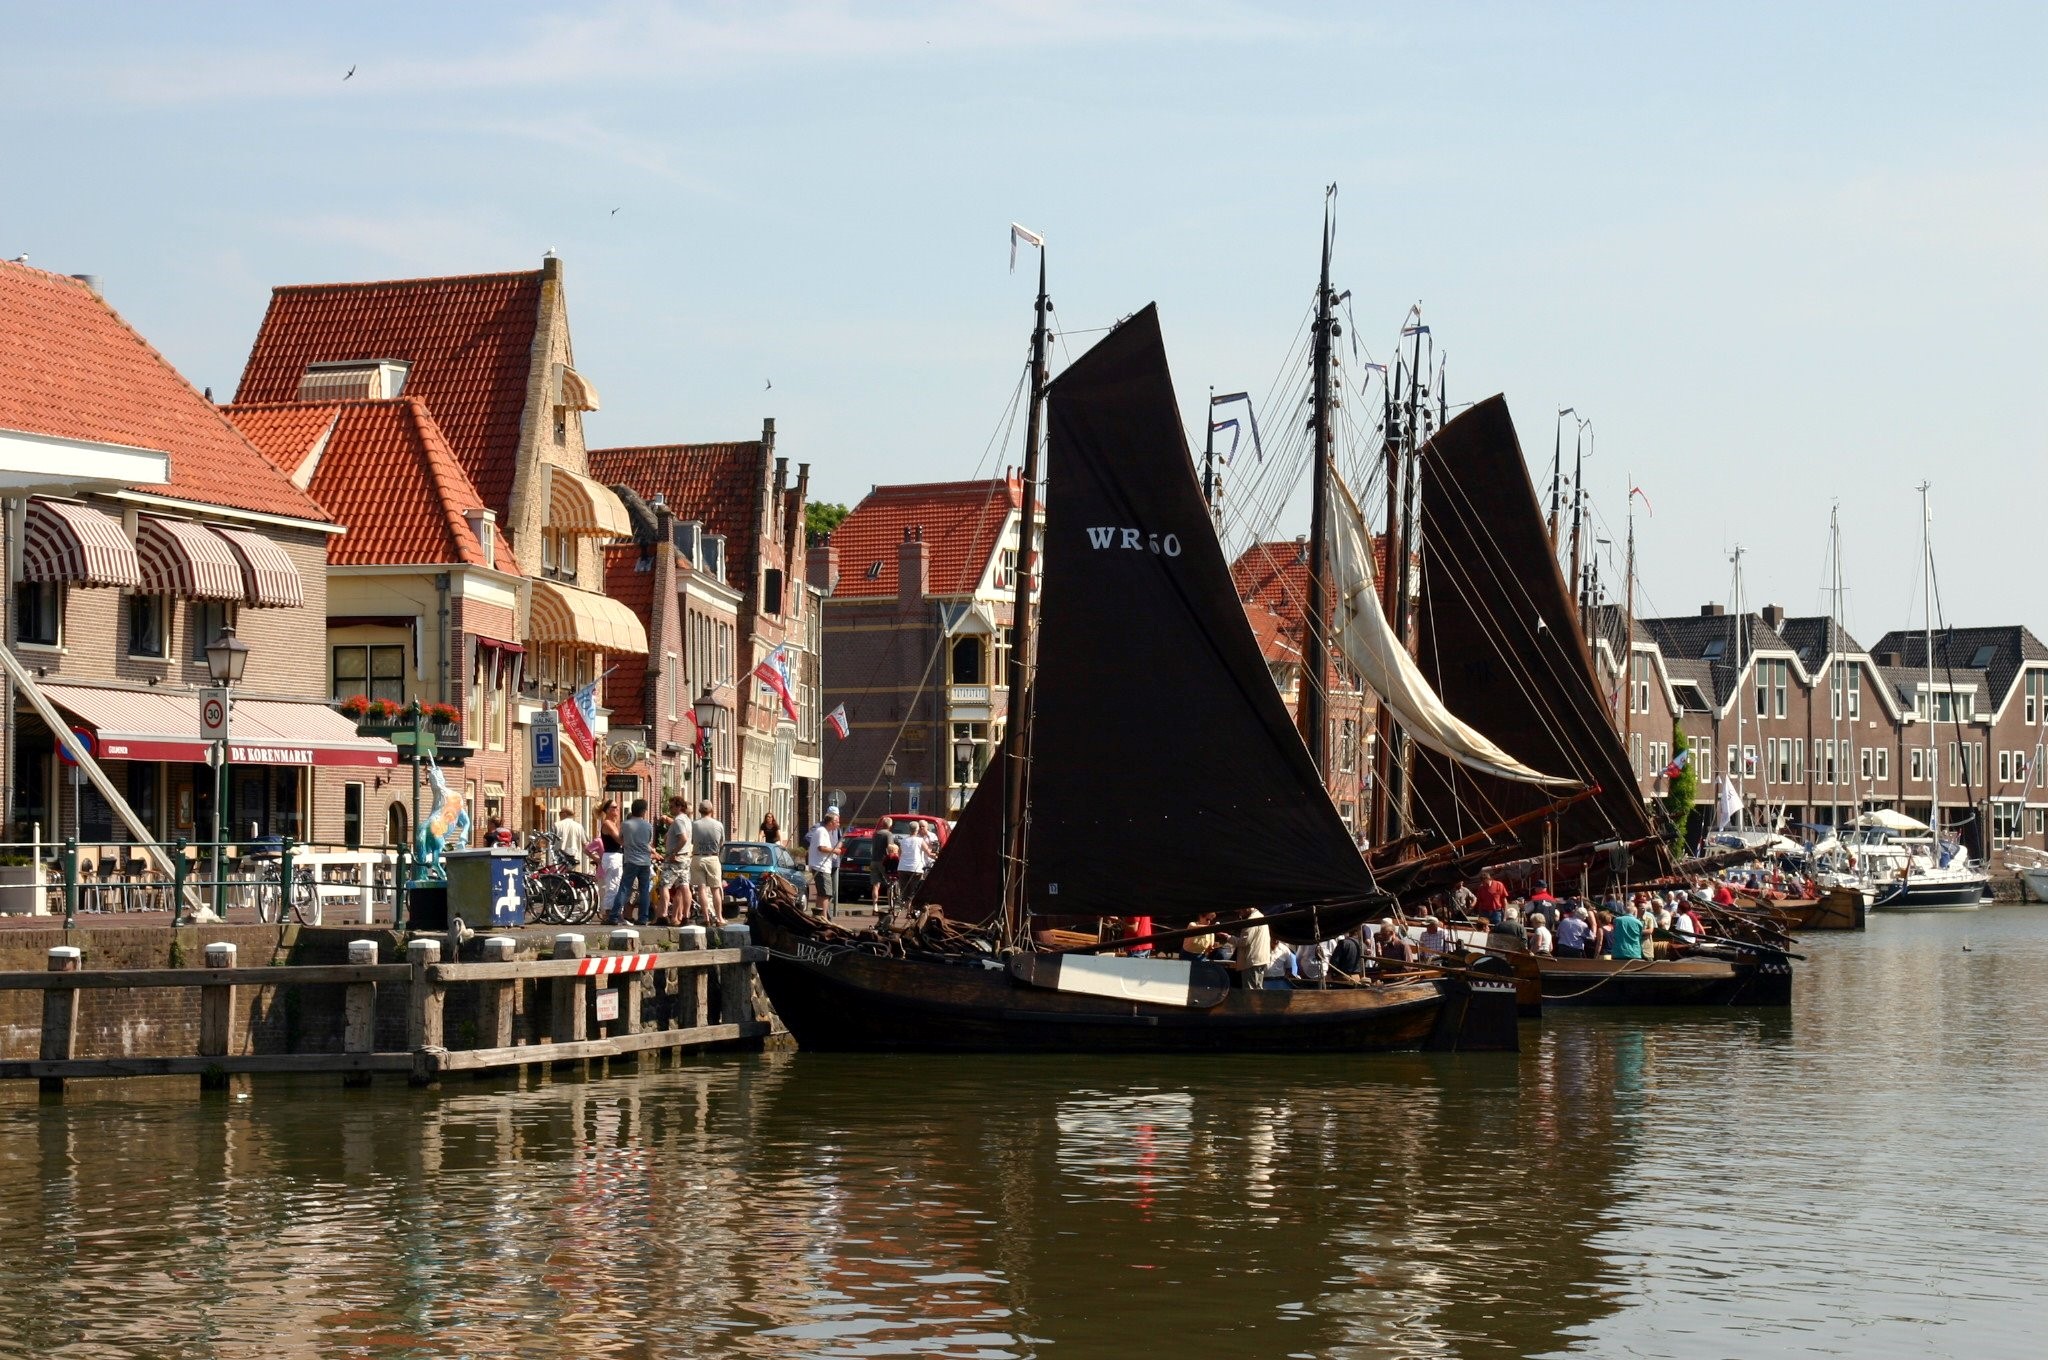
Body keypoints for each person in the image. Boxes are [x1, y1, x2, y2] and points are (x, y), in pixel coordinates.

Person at [612, 799, 654, 925]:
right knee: (644, 890)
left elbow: (620, 839)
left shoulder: (626, 824)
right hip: (645, 861)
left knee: (624, 888)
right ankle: (643, 918)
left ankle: (614, 916)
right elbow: (649, 842)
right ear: (643, 811)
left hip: (630, 860)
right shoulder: (648, 826)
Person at [689, 799, 726, 923]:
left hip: (697, 857)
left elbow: (691, 841)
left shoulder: (694, 824)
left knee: (701, 888)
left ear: (699, 811)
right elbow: (722, 843)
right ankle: (719, 917)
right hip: (713, 857)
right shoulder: (718, 825)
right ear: (712, 810)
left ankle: (706, 917)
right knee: (716, 888)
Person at [805, 809, 842, 915]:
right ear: (831, 822)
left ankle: (817, 916)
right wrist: (836, 850)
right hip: (821, 866)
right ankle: (824, 917)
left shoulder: (824, 832)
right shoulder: (822, 831)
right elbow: (821, 848)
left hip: (822, 866)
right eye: (837, 822)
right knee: (826, 894)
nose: (838, 824)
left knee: (822, 894)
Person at [592, 801, 624, 913]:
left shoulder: (613, 823)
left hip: (616, 856)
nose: (617, 809)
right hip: (612, 856)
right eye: (614, 807)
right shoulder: (607, 824)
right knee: (612, 885)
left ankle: (614, 911)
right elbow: (620, 840)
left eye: (617, 806)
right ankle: (608, 912)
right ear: (608, 810)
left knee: (616, 884)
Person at [1236, 907, 1273, 989]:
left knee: (1250, 992)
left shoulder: (1252, 920)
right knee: (1257, 990)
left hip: (1252, 961)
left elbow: (1243, 942)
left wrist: (1228, 938)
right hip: (1260, 960)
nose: (1239, 912)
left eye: (1240, 910)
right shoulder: (1261, 916)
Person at [895, 820, 931, 899]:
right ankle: (911, 908)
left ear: (909, 829)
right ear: (917, 830)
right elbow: (929, 853)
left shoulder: (903, 840)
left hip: (902, 868)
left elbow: (899, 854)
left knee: (904, 891)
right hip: (915, 869)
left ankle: (905, 907)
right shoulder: (920, 840)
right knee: (914, 891)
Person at [870, 817, 896, 906]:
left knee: (875, 885)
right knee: (890, 883)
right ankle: (890, 905)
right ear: (890, 825)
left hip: (874, 860)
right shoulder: (888, 834)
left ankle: (875, 906)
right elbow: (890, 847)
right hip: (884, 861)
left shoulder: (875, 834)